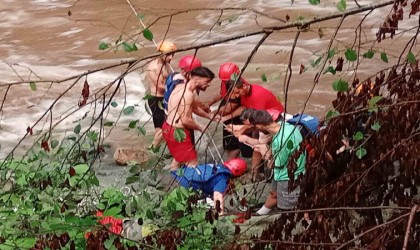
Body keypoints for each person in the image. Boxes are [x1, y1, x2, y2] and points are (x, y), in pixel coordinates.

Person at [217, 77, 285, 178]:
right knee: (256, 147)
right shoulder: (244, 93)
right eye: (234, 94)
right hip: (260, 121)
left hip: (273, 121)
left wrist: (240, 130)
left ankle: (259, 173)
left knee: (260, 147)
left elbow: (257, 121)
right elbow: (244, 107)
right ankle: (256, 172)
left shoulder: (258, 95)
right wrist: (228, 119)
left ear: (244, 86)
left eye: (237, 92)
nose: (236, 96)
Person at [248, 110, 306, 215]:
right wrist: (268, 149)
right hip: (285, 170)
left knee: (287, 209)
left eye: (256, 128)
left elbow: (277, 165)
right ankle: (259, 214)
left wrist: (265, 153)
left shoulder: (282, 141)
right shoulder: (284, 125)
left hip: (288, 177)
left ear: (260, 126)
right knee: (274, 193)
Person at [163, 66, 215, 170]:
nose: (209, 84)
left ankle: (173, 179)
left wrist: (209, 116)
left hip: (168, 127)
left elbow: (194, 108)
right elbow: (185, 120)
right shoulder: (188, 95)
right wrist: (200, 128)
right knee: (192, 163)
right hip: (178, 132)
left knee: (178, 159)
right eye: (207, 81)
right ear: (196, 79)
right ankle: (187, 185)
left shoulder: (181, 87)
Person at [207, 62, 253, 160]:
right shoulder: (226, 82)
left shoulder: (240, 88)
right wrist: (209, 103)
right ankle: (232, 163)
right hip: (228, 115)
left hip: (240, 116)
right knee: (230, 144)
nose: (226, 83)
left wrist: (213, 113)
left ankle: (252, 167)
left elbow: (229, 108)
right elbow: (222, 93)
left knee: (246, 145)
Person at [171, 158, 247, 214]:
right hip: (188, 184)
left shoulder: (218, 167)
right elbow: (218, 196)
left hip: (181, 172)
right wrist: (220, 214)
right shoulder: (223, 178)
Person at [145, 40, 177, 149]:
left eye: (172, 54)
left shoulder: (165, 64)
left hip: (165, 98)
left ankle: (159, 148)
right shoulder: (153, 67)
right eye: (168, 55)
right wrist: (177, 88)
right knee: (163, 128)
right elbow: (160, 87)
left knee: (161, 128)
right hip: (156, 99)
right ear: (161, 53)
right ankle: (152, 149)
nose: (171, 58)